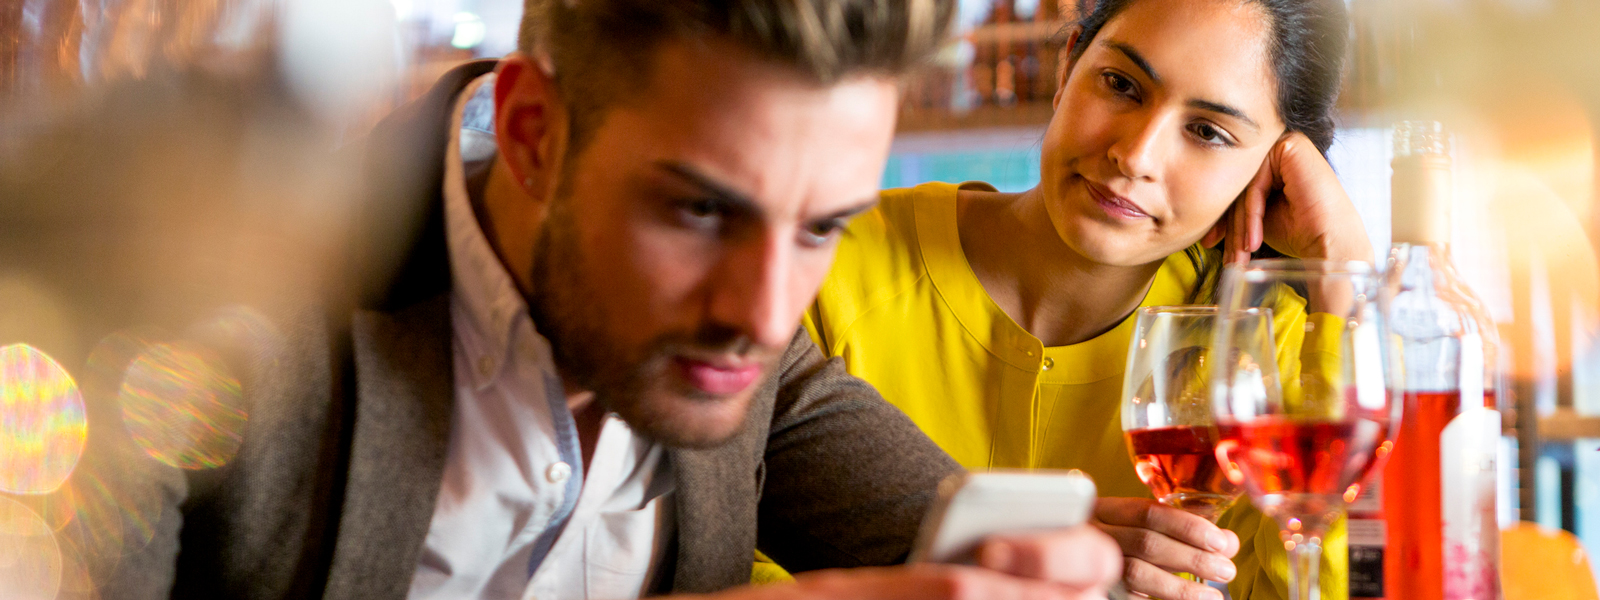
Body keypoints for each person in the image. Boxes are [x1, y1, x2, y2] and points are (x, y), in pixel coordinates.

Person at [86, 0, 1134, 599]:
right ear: (536, 134)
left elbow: (968, 539)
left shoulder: (747, 355)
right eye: (696, 213)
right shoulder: (201, 322)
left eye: (822, 226)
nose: (767, 314)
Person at [801, 0, 1370, 599]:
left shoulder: (1264, 347)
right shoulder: (829, 259)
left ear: (1270, 172)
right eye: (1121, 85)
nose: (1135, 155)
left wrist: (1344, 283)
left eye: (1207, 132)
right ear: (1067, 67)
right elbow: (729, 562)